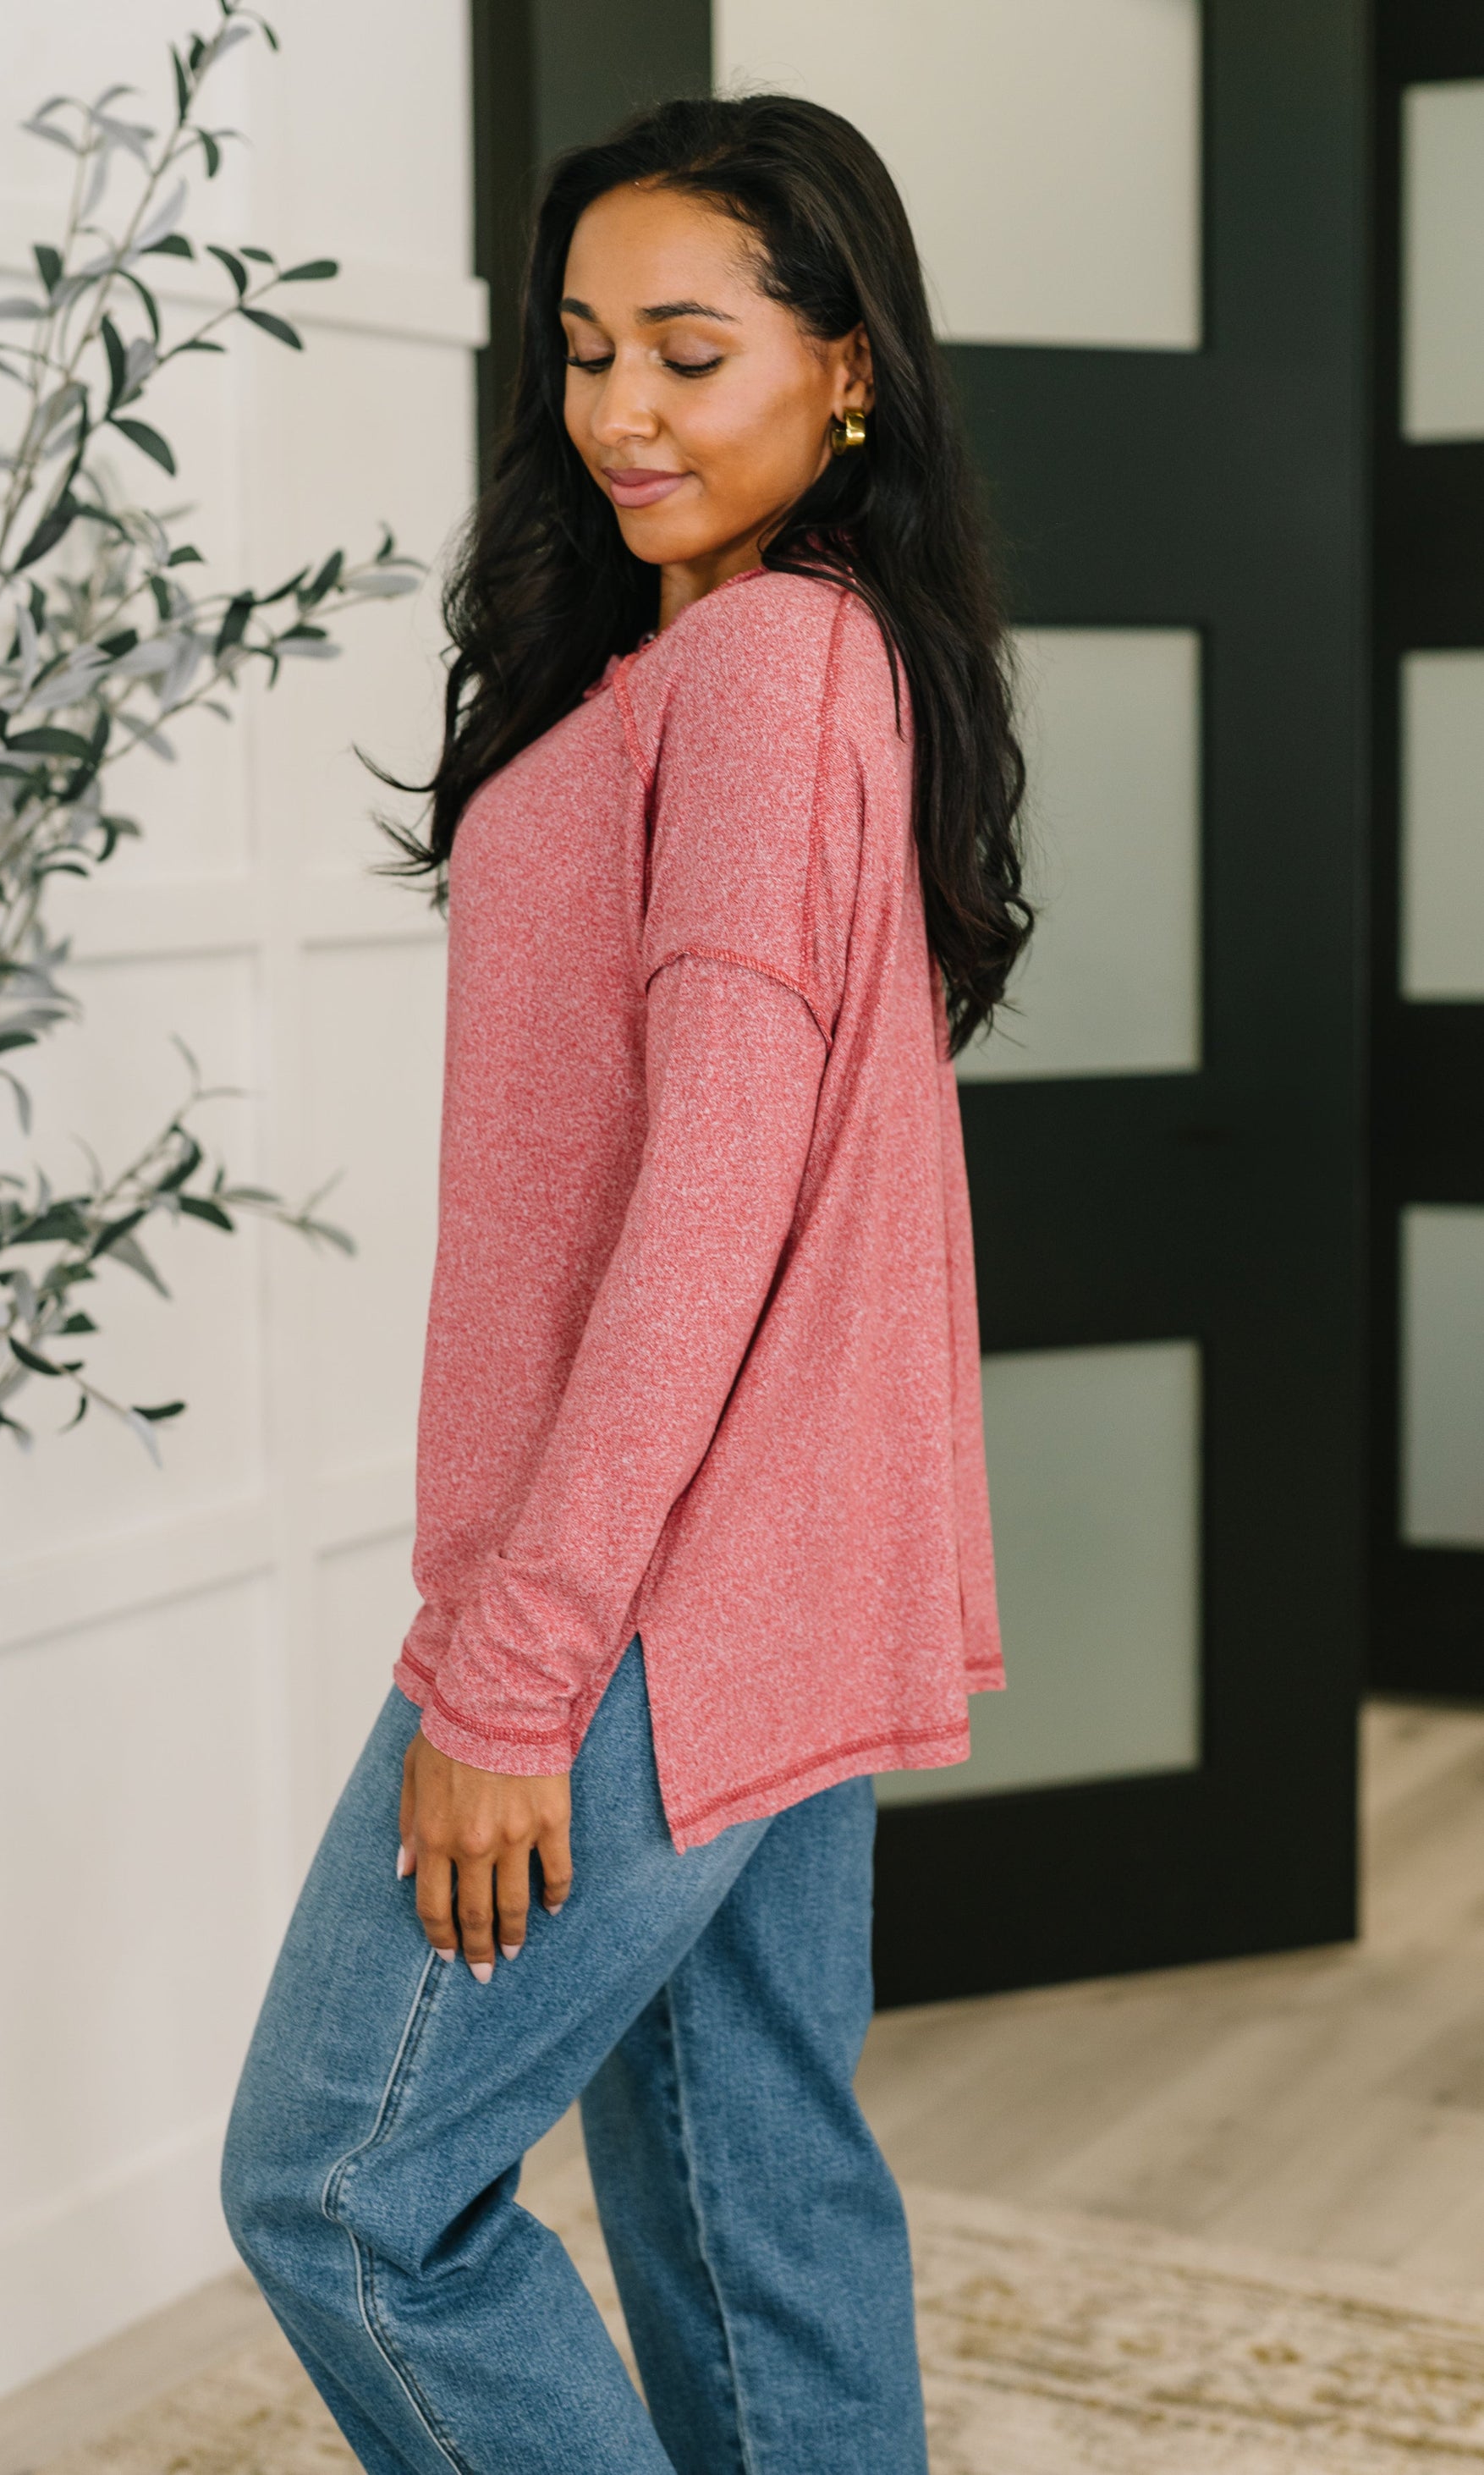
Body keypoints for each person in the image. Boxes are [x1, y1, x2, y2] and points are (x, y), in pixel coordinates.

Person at [223, 91, 1030, 2475]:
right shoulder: (781, 654)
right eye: (585, 351)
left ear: (846, 369)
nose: (619, 413)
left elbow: (708, 1200)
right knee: (749, 2192)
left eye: (690, 351)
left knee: (341, 2192)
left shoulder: (767, 665)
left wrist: (515, 1665)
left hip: (649, 1597)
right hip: (785, 1559)